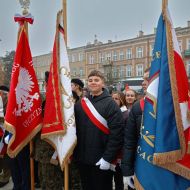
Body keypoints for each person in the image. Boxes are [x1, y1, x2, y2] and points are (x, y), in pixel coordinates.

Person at [74, 70, 124, 190]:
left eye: (96, 80)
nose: (93, 83)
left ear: (103, 83)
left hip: (101, 161)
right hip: (83, 159)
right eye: (90, 80)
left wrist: (107, 158)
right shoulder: (80, 104)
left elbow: (116, 135)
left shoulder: (111, 104)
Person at [121, 68, 150, 189]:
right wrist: (127, 170)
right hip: (142, 164)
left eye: (147, 79)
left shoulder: (176, 106)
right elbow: (129, 141)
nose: (143, 82)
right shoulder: (138, 107)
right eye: (143, 79)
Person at [34, 71, 63, 190]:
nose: (47, 86)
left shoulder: (59, 103)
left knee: (53, 183)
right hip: (41, 151)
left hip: (52, 151)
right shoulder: (44, 102)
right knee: (43, 181)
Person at [112, 91, 128, 190]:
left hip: (119, 151)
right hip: (110, 150)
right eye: (112, 99)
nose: (113, 101)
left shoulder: (125, 114)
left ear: (121, 100)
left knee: (118, 177)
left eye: (116, 99)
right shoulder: (111, 111)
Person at [0, 86, 11, 188]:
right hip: (1, 134)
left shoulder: (9, 105)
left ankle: (5, 177)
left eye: (2, 94)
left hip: (7, 135)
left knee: (6, 158)